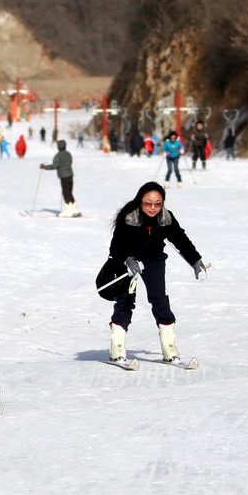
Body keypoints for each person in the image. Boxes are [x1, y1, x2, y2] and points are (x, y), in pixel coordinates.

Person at [101, 181, 205, 365]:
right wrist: (128, 260)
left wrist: (196, 261)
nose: (153, 207)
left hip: (154, 261)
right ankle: (117, 347)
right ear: (140, 201)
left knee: (159, 300)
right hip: (127, 262)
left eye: (157, 203)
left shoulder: (166, 218)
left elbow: (180, 239)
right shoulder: (129, 217)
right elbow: (116, 246)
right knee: (125, 300)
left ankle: (169, 347)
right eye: (148, 203)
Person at [40, 139, 80, 217]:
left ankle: (68, 209)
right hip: (70, 174)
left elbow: (55, 166)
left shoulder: (58, 156)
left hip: (63, 176)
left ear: (58, 147)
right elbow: (70, 162)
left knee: (65, 192)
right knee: (70, 192)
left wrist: (44, 167)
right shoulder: (68, 154)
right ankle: (74, 209)